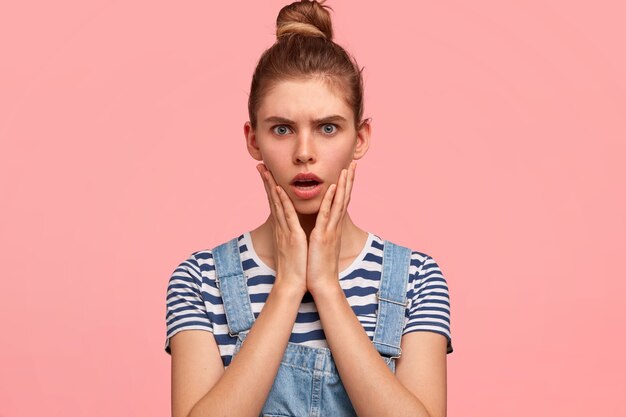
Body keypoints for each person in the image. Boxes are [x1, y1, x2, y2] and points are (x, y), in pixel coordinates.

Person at [164, 1, 453, 416]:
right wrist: (285, 290)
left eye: (328, 128)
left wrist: (327, 288)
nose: (304, 153)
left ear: (360, 138)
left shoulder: (416, 279)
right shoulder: (199, 279)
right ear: (253, 139)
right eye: (282, 129)